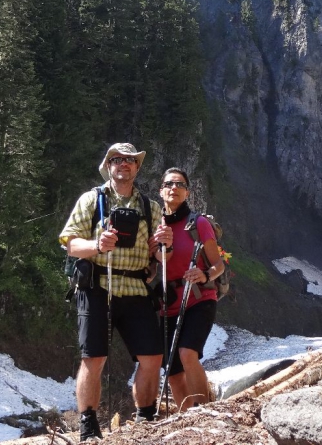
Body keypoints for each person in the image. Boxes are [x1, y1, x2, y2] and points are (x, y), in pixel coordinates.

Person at [58, 143, 173, 441]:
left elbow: (161, 257)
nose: (124, 164)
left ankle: (145, 418)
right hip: (97, 286)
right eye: (118, 160)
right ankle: (88, 426)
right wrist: (97, 246)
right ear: (108, 166)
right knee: (93, 358)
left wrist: (165, 244)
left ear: (136, 168)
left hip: (136, 288)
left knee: (152, 357)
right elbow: (70, 243)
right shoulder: (91, 200)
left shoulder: (151, 207)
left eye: (130, 161)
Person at [157, 167, 225, 411]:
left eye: (179, 185)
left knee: (187, 353)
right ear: (161, 190)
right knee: (173, 370)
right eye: (169, 184)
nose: (174, 188)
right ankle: (186, 418)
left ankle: (202, 411)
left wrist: (204, 274)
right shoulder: (156, 227)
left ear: (187, 192)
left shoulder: (199, 224)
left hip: (199, 297)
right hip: (169, 303)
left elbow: (219, 264)